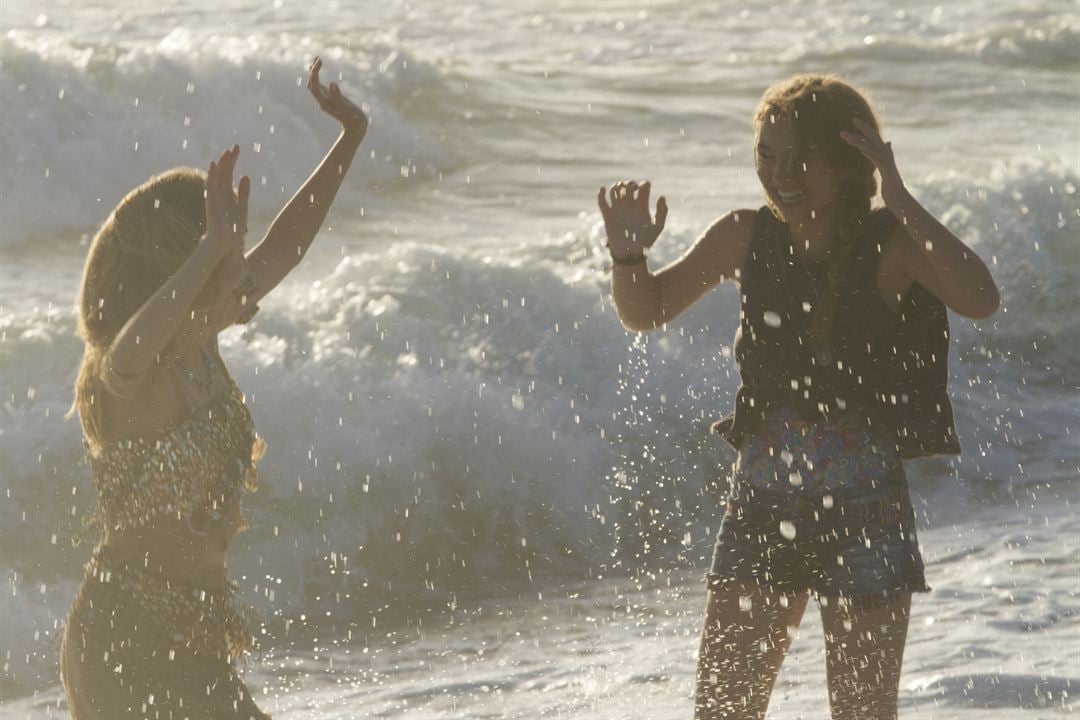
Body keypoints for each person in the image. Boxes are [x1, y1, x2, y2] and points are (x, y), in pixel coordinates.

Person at [598, 74, 999, 719]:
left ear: (846, 163)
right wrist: (626, 257)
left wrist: (899, 197)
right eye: (766, 156)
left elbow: (981, 297)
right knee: (723, 712)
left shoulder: (891, 246)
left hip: (867, 513)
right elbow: (648, 309)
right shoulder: (744, 236)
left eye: (799, 159)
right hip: (761, 503)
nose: (780, 175)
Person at [61, 57, 367, 719]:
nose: (245, 269)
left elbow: (288, 245)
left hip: (193, 632)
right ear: (186, 276)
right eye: (229, 256)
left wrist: (351, 138)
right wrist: (210, 250)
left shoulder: (204, 336)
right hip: (123, 637)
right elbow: (124, 357)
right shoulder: (129, 376)